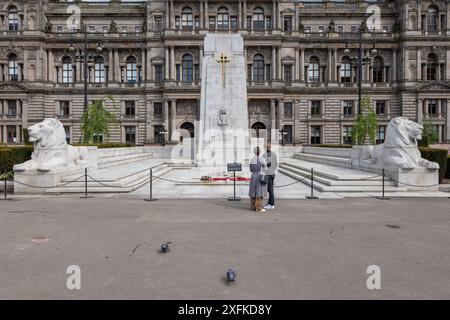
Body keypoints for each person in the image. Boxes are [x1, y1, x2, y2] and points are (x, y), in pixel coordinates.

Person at [249, 146, 268, 213]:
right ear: (259, 152)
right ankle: (258, 208)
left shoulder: (252, 159)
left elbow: (251, 169)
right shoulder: (262, 159)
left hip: (253, 176)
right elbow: (266, 169)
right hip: (260, 176)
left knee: (253, 192)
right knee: (260, 192)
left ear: (254, 152)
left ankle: (252, 206)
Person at [263, 142, 278, 210]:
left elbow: (264, 166)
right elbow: (276, 164)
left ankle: (271, 204)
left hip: (268, 174)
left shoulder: (264, 155)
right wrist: (273, 170)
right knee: (270, 189)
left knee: (270, 190)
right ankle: (270, 203)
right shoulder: (274, 154)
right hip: (272, 174)